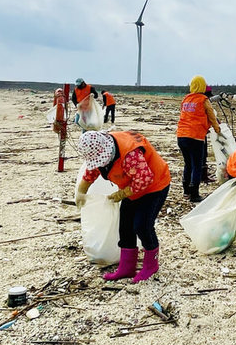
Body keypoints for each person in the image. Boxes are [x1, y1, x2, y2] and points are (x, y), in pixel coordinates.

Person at [75, 130, 170, 283]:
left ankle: (151, 264)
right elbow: (92, 171)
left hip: (155, 186)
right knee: (125, 226)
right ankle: (127, 267)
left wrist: (121, 194)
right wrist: (81, 191)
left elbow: (144, 179)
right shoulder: (100, 152)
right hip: (132, 188)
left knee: (142, 226)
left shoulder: (129, 154)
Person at [176, 75, 221, 202]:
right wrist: (217, 130)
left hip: (181, 136)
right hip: (195, 137)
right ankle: (194, 193)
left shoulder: (186, 99)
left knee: (188, 164)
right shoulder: (203, 99)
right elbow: (211, 116)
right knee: (197, 165)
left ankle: (186, 192)